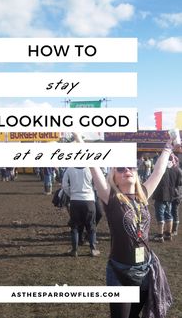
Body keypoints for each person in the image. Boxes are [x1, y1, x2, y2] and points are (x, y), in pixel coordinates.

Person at [73, 133, 177, 318]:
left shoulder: (143, 194)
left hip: (145, 270)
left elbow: (158, 171)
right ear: (114, 176)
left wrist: (168, 146)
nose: (126, 170)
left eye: (130, 167)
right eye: (120, 169)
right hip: (119, 272)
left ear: (136, 173)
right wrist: (78, 139)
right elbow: (93, 166)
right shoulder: (110, 198)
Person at [62, 167, 100, 257]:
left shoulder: (69, 169)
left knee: (74, 226)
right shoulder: (91, 169)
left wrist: (71, 194)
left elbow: (64, 185)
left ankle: (74, 250)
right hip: (89, 200)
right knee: (91, 225)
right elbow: (97, 185)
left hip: (75, 201)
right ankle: (93, 249)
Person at [152, 153, 182, 242]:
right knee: (168, 213)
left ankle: (160, 235)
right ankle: (168, 234)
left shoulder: (160, 169)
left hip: (160, 194)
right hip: (170, 195)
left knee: (160, 214)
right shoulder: (176, 170)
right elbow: (178, 184)